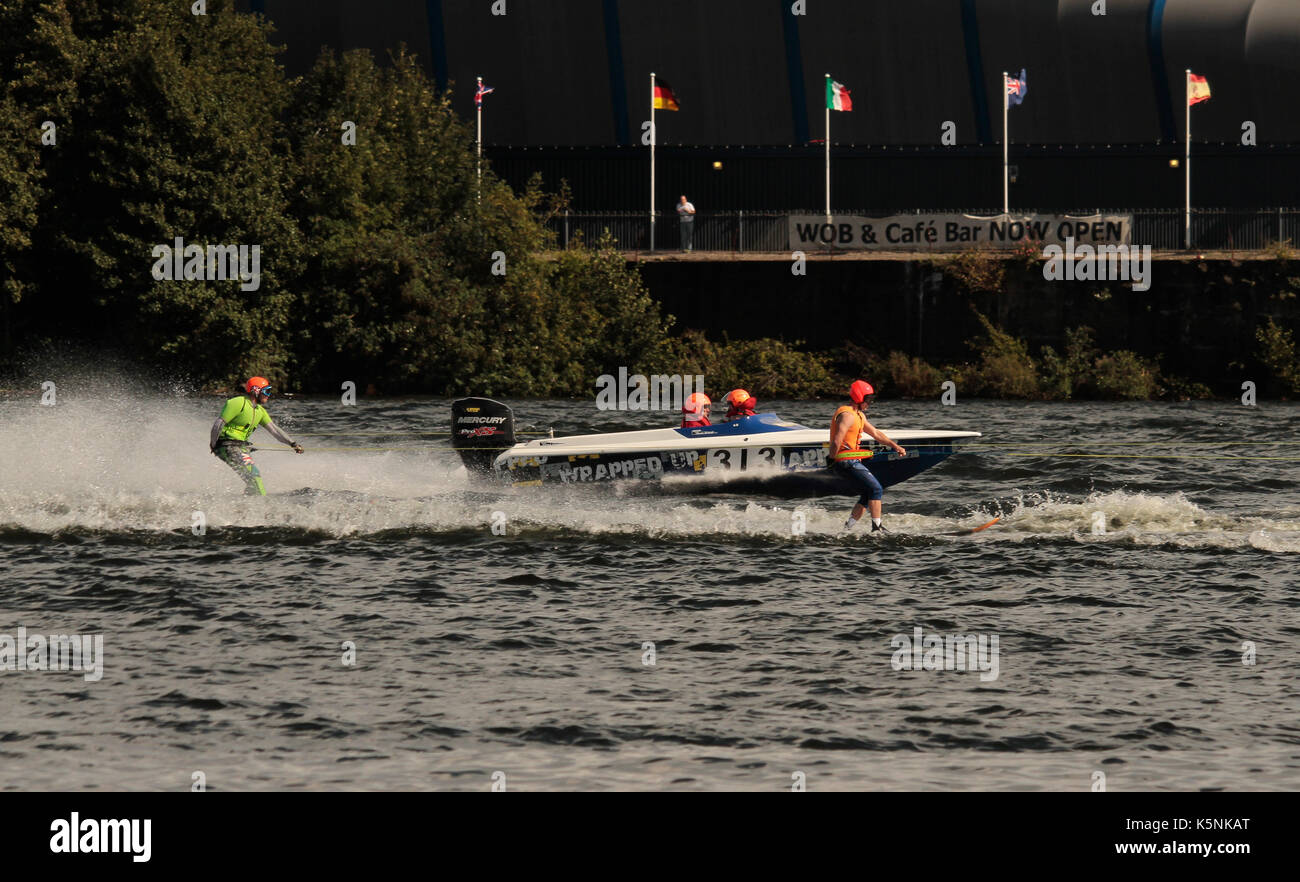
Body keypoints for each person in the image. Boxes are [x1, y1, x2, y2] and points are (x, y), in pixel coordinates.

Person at [829, 380, 905, 532]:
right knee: (876, 489)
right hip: (845, 461)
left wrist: (895, 446)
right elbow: (837, 439)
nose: (869, 403)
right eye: (868, 400)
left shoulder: (859, 416)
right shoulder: (847, 415)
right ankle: (877, 528)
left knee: (867, 493)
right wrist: (832, 460)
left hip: (852, 460)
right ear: (859, 397)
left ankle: (846, 529)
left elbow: (876, 434)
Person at [210, 377, 304, 495]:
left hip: (240, 447)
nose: (268, 395)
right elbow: (218, 424)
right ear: (256, 390)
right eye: (266, 391)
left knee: (254, 477)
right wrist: (214, 445)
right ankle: (259, 505)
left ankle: (246, 504)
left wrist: (293, 443)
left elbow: (274, 430)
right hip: (227, 446)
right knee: (254, 477)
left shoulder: (260, 411)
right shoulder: (238, 403)